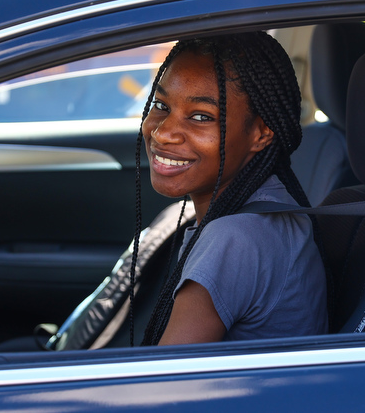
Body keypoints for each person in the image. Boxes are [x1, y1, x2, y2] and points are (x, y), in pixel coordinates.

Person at [131, 32, 328, 346]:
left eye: (200, 116)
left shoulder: (236, 238)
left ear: (261, 133)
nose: (164, 133)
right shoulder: (261, 208)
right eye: (160, 104)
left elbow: (163, 385)